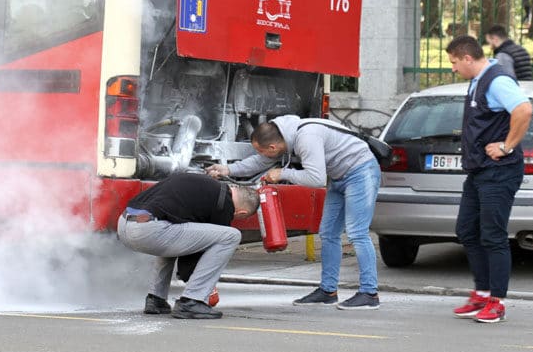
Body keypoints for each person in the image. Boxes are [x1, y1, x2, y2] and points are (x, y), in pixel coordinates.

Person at [205, 115, 382, 310]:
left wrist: (283, 173)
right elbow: (259, 162)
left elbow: (316, 179)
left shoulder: (306, 137)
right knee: (328, 233)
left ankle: (369, 293)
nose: (262, 155)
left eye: (262, 151)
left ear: (273, 148)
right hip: (340, 177)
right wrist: (227, 169)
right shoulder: (282, 132)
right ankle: (328, 291)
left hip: (360, 171)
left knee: (357, 233)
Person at [445, 35, 532, 323]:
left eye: (455, 62)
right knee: (467, 230)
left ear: (468, 58)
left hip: (500, 171)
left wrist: (507, 145)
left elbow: (524, 109)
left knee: (493, 235)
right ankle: (481, 293)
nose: (454, 69)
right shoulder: (478, 79)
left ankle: (497, 301)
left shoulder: (497, 80)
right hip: (479, 170)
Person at [117, 172, 259, 319]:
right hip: (149, 230)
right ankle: (192, 302)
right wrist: (205, 290)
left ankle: (156, 299)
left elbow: (187, 244)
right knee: (231, 236)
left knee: (172, 233)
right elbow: (194, 257)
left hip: (124, 225)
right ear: (242, 212)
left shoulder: (206, 186)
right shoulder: (224, 204)